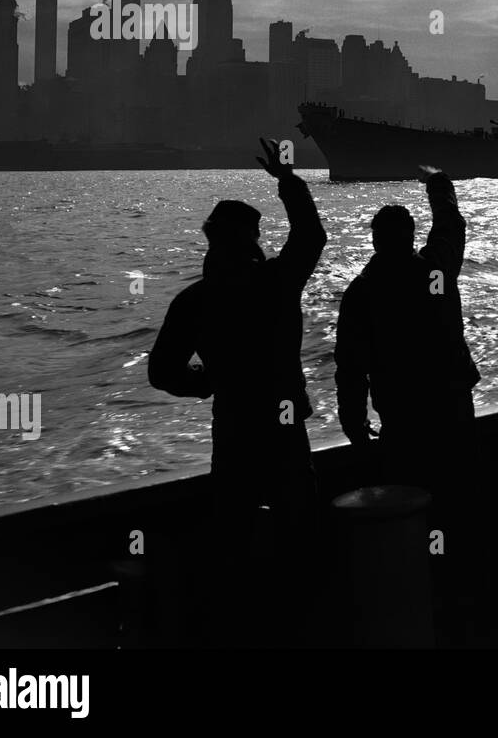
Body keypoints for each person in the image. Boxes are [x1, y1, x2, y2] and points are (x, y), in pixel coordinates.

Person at [148, 138, 327, 644]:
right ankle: (305, 622)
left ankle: (233, 627)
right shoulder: (276, 282)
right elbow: (312, 235)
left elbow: (162, 373)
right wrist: (288, 181)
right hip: (285, 420)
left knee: (232, 531)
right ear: (249, 239)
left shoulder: (195, 301)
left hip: (233, 424)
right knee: (299, 528)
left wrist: (209, 384)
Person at [333, 165, 481, 597]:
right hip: (452, 407)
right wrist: (438, 183)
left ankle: (419, 592)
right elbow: (452, 224)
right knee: (460, 500)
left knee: (412, 505)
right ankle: (466, 589)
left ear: (375, 240)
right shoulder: (436, 272)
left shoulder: (362, 293)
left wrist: (355, 426)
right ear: (412, 236)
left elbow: (350, 367)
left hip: (401, 417)